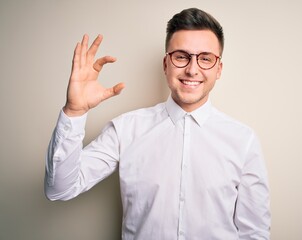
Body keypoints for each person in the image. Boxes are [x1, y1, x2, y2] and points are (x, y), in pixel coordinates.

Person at [45, 8, 271, 240]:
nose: (192, 69)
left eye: (205, 59)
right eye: (181, 56)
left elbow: (254, 233)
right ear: (166, 64)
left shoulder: (243, 140)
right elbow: (59, 189)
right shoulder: (125, 129)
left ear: (218, 69)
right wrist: (74, 111)